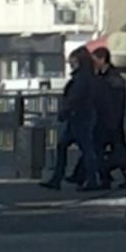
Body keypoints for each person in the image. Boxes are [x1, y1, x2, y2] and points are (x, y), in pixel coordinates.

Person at [42, 48, 103, 190]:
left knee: (85, 149)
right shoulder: (88, 76)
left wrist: (64, 111)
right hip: (82, 116)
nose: (71, 64)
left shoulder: (81, 78)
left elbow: (75, 98)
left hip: (79, 117)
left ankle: (89, 180)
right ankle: (59, 178)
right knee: (75, 147)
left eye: (73, 62)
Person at [92, 47, 126, 188]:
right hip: (106, 119)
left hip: (111, 120)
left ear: (102, 60)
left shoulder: (113, 79)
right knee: (107, 149)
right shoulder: (104, 77)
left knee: (117, 150)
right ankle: (110, 176)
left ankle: (125, 177)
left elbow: (115, 102)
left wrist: (113, 119)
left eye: (95, 61)